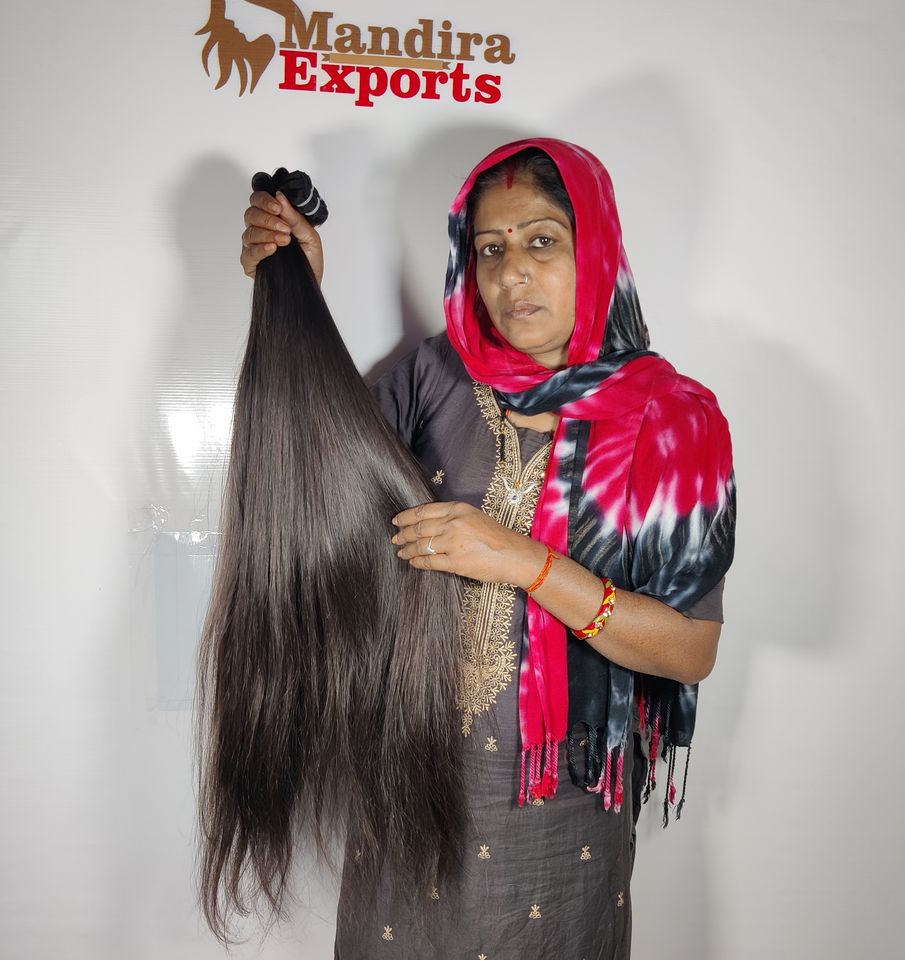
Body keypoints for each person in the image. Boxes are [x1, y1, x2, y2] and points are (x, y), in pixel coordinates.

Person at [239, 138, 735, 959]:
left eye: (542, 240)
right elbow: (320, 493)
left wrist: (525, 562)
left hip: (561, 810)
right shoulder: (434, 376)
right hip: (408, 785)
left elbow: (688, 650)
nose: (511, 273)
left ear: (596, 246)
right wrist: (302, 298)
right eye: (490, 250)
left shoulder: (672, 420)